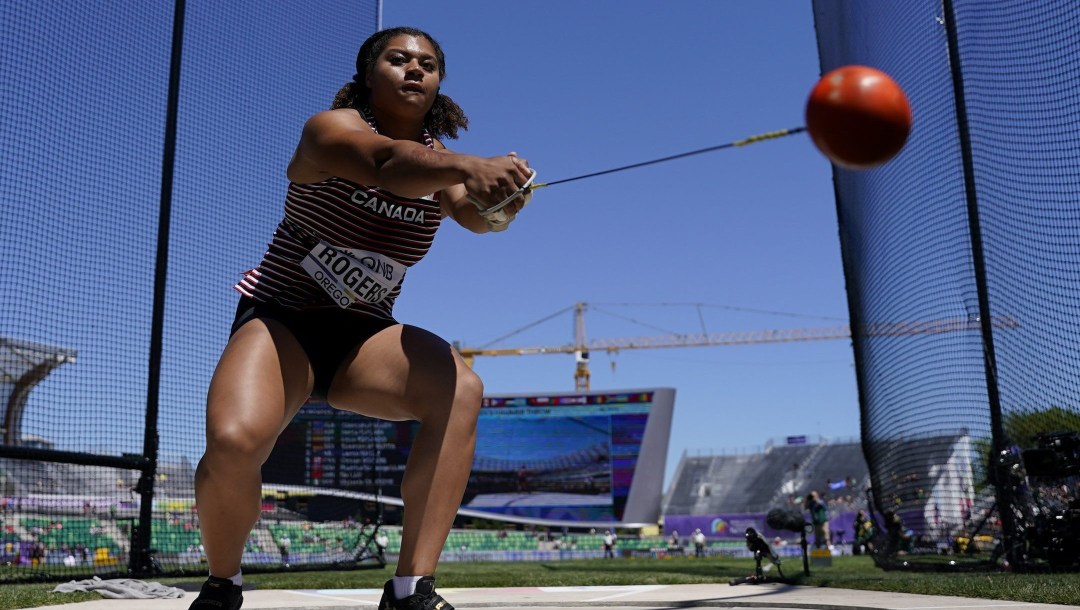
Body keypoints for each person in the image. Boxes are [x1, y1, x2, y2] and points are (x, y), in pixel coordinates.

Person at [186, 26, 534, 610]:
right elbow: (386, 164)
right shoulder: (330, 131)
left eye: (428, 64)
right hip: (282, 319)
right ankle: (224, 584)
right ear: (368, 76)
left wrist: (504, 203)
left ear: (439, 83)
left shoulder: (442, 168)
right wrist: (470, 164)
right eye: (398, 59)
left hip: (362, 335)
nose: (414, 69)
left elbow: (476, 218)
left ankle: (410, 590)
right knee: (232, 441)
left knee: (462, 389)